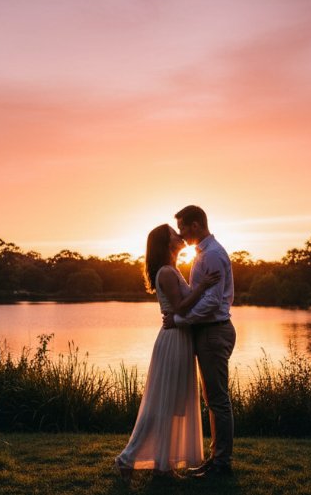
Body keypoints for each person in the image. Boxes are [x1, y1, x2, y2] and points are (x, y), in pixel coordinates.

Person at [114, 224, 220, 481]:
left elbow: (181, 310)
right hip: (173, 340)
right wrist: (203, 285)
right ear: (166, 242)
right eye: (174, 233)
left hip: (180, 338)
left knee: (173, 404)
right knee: (162, 403)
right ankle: (127, 459)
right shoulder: (166, 273)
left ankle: (163, 465)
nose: (179, 235)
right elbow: (181, 307)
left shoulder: (172, 270)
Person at [162, 204, 236, 479]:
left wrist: (179, 321)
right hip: (208, 330)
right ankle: (216, 458)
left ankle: (222, 464)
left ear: (195, 225)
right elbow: (201, 296)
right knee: (212, 399)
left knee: (218, 400)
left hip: (214, 331)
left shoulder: (212, 255)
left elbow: (211, 302)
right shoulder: (203, 255)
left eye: (182, 227)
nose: (181, 234)